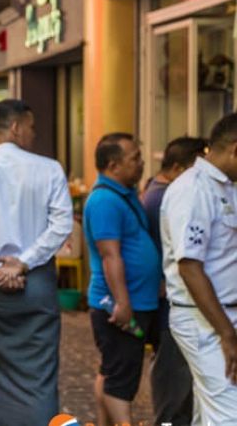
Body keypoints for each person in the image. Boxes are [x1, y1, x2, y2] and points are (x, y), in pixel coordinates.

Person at [0, 99, 73, 426]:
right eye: (32, 127)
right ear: (17, 128)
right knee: (40, 377)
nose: (34, 134)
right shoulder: (49, 169)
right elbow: (61, 224)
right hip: (36, 283)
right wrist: (23, 263)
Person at [161, 113, 237, 426]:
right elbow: (190, 267)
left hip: (221, 316)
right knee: (229, 415)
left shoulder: (226, 187)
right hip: (203, 319)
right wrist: (226, 333)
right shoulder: (193, 190)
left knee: (210, 414)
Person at [84, 133, 162, 426]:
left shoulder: (122, 193)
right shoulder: (104, 200)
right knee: (121, 380)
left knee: (112, 371)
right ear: (113, 165)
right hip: (119, 307)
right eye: (135, 159)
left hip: (134, 300)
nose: (142, 164)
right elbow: (110, 256)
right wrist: (123, 303)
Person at [141, 136, 207, 426]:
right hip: (172, 300)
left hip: (169, 299)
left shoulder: (161, 192)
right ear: (181, 167)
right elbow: (185, 261)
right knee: (174, 379)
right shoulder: (167, 197)